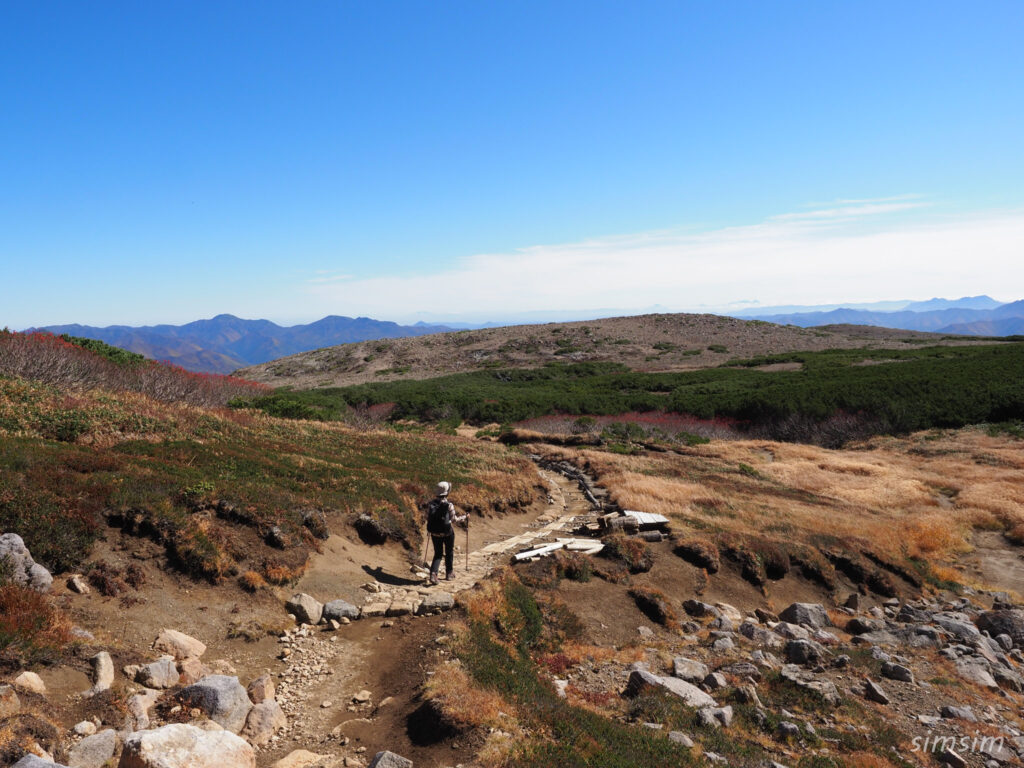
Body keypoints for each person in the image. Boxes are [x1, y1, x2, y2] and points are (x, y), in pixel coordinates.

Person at [425, 481, 466, 584]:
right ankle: (449, 573)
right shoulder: (449, 505)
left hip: (434, 533)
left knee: (438, 554)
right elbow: (454, 520)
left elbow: (428, 517)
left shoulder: (431, 504)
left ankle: (433, 574)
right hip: (447, 533)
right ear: (447, 492)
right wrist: (465, 517)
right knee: (449, 552)